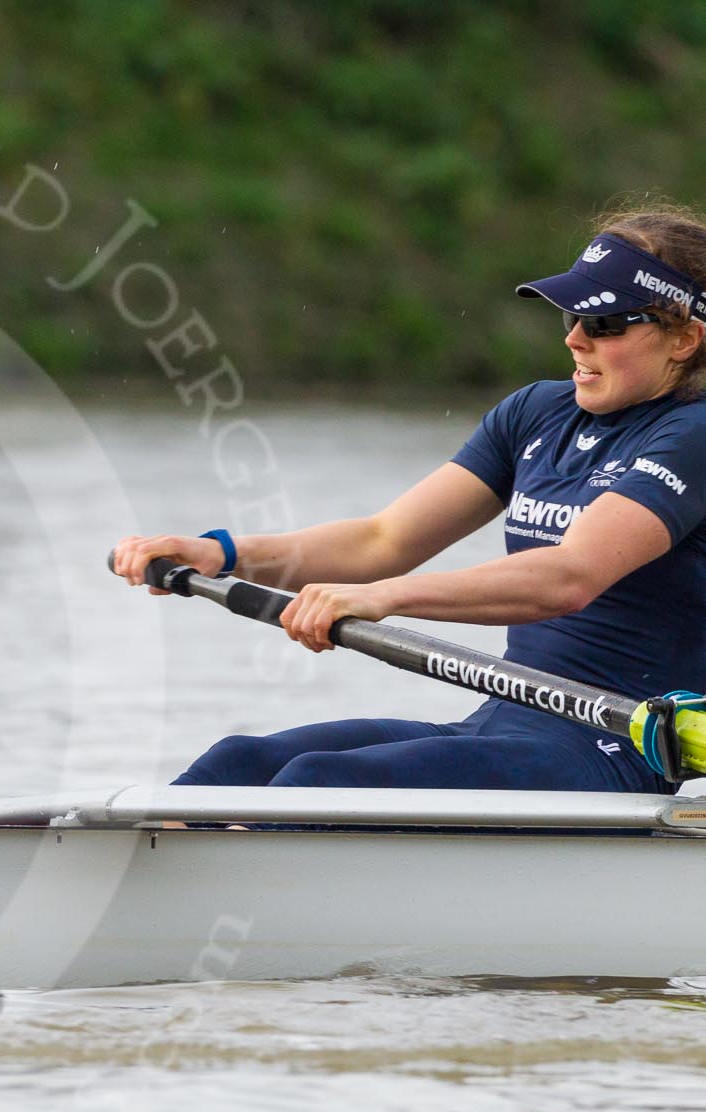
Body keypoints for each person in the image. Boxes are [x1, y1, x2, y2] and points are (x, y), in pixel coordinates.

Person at [113, 203, 706, 793]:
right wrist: (220, 551)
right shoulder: (536, 413)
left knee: (320, 781)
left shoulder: (695, 435)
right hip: (502, 725)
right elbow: (383, 540)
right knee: (236, 762)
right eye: (570, 318)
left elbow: (568, 577)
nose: (576, 339)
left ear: (684, 338)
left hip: (614, 752)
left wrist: (382, 599)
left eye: (604, 324)